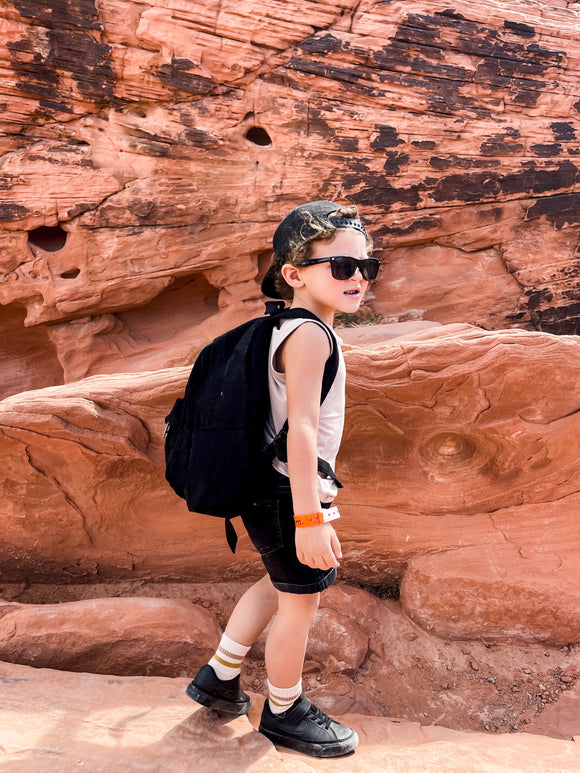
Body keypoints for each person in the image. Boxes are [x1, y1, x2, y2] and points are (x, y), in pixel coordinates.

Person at [186, 200, 379, 758]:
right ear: (294, 274)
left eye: (366, 267)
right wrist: (309, 518)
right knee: (301, 602)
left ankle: (220, 676)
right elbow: (300, 433)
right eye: (340, 267)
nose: (356, 279)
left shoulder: (286, 328)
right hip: (287, 492)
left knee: (278, 583)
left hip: (267, 486)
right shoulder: (312, 335)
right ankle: (283, 710)